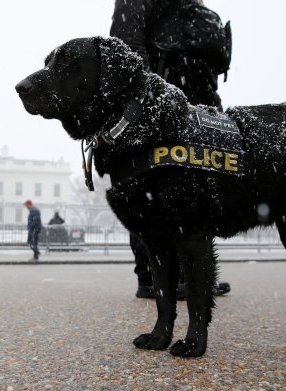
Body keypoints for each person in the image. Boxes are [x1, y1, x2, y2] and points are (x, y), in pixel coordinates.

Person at [110, 0, 232, 299]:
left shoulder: (194, 10)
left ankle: (192, 274)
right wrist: (149, 93)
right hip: (162, 101)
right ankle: (153, 277)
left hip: (196, 102)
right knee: (150, 189)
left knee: (192, 191)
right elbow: (127, 44)